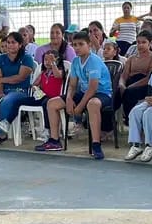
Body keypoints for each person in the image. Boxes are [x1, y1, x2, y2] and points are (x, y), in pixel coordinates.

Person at [36, 30, 113, 159]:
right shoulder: (76, 61)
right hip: (83, 92)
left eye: (81, 44)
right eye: (74, 45)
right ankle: (54, 141)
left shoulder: (94, 61)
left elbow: (92, 88)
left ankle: (96, 144)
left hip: (101, 93)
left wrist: (79, 107)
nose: (77, 48)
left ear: (89, 45)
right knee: (52, 103)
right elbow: (72, 85)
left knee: (92, 104)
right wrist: (69, 99)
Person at [0, 32, 36, 145]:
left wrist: (2, 80)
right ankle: (1, 132)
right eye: (8, 42)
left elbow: (20, 78)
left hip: (20, 90)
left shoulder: (26, 58)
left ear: (20, 45)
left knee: (7, 101)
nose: (10, 45)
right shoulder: (0, 59)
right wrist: (0, 92)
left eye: (13, 42)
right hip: (2, 89)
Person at [119, 31, 152, 125]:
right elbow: (124, 75)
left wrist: (131, 86)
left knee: (129, 92)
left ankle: (130, 120)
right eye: (138, 42)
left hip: (145, 84)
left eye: (143, 42)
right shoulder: (131, 58)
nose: (140, 45)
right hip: (130, 82)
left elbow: (149, 78)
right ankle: (110, 123)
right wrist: (121, 85)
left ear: (150, 43)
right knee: (116, 93)